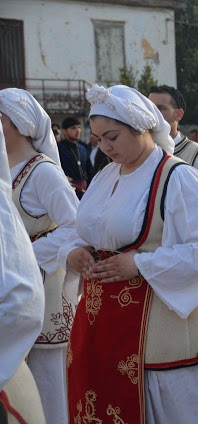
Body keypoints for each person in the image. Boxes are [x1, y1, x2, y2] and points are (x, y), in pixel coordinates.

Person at [64, 85, 198, 423]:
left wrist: (140, 263)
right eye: (99, 139)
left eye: (112, 136)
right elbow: (85, 227)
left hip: (159, 327)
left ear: (140, 127)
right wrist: (73, 252)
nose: (105, 146)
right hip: (101, 322)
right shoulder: (105, 175)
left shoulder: (178, 177)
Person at [0, 88, 80, 423]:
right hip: (17, 286)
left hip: (45, 290)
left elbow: (76, 226)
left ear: (16, 123)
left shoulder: (43, 172)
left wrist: (26, 254)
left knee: (49, 382)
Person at [0, 118, 47, 424]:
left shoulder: (44, 172)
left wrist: (35, 251)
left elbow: (73, 225)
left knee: (52, 372)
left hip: (43, 275)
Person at [148, 85, 198, 216]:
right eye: (150, 107)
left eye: (161, 108)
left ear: (178, 114)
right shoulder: (142, 152)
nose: (154, 113)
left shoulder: (196, 154)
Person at [57, 116, 89, 198]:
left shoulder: (82, 149)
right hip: (68, 191)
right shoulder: (58, 148)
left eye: (79, 127)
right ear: (64, 131)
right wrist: (63, 176)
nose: (78, 131)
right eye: (73, 128)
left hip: (85, 191)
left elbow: (89, 170)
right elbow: (53, 168)